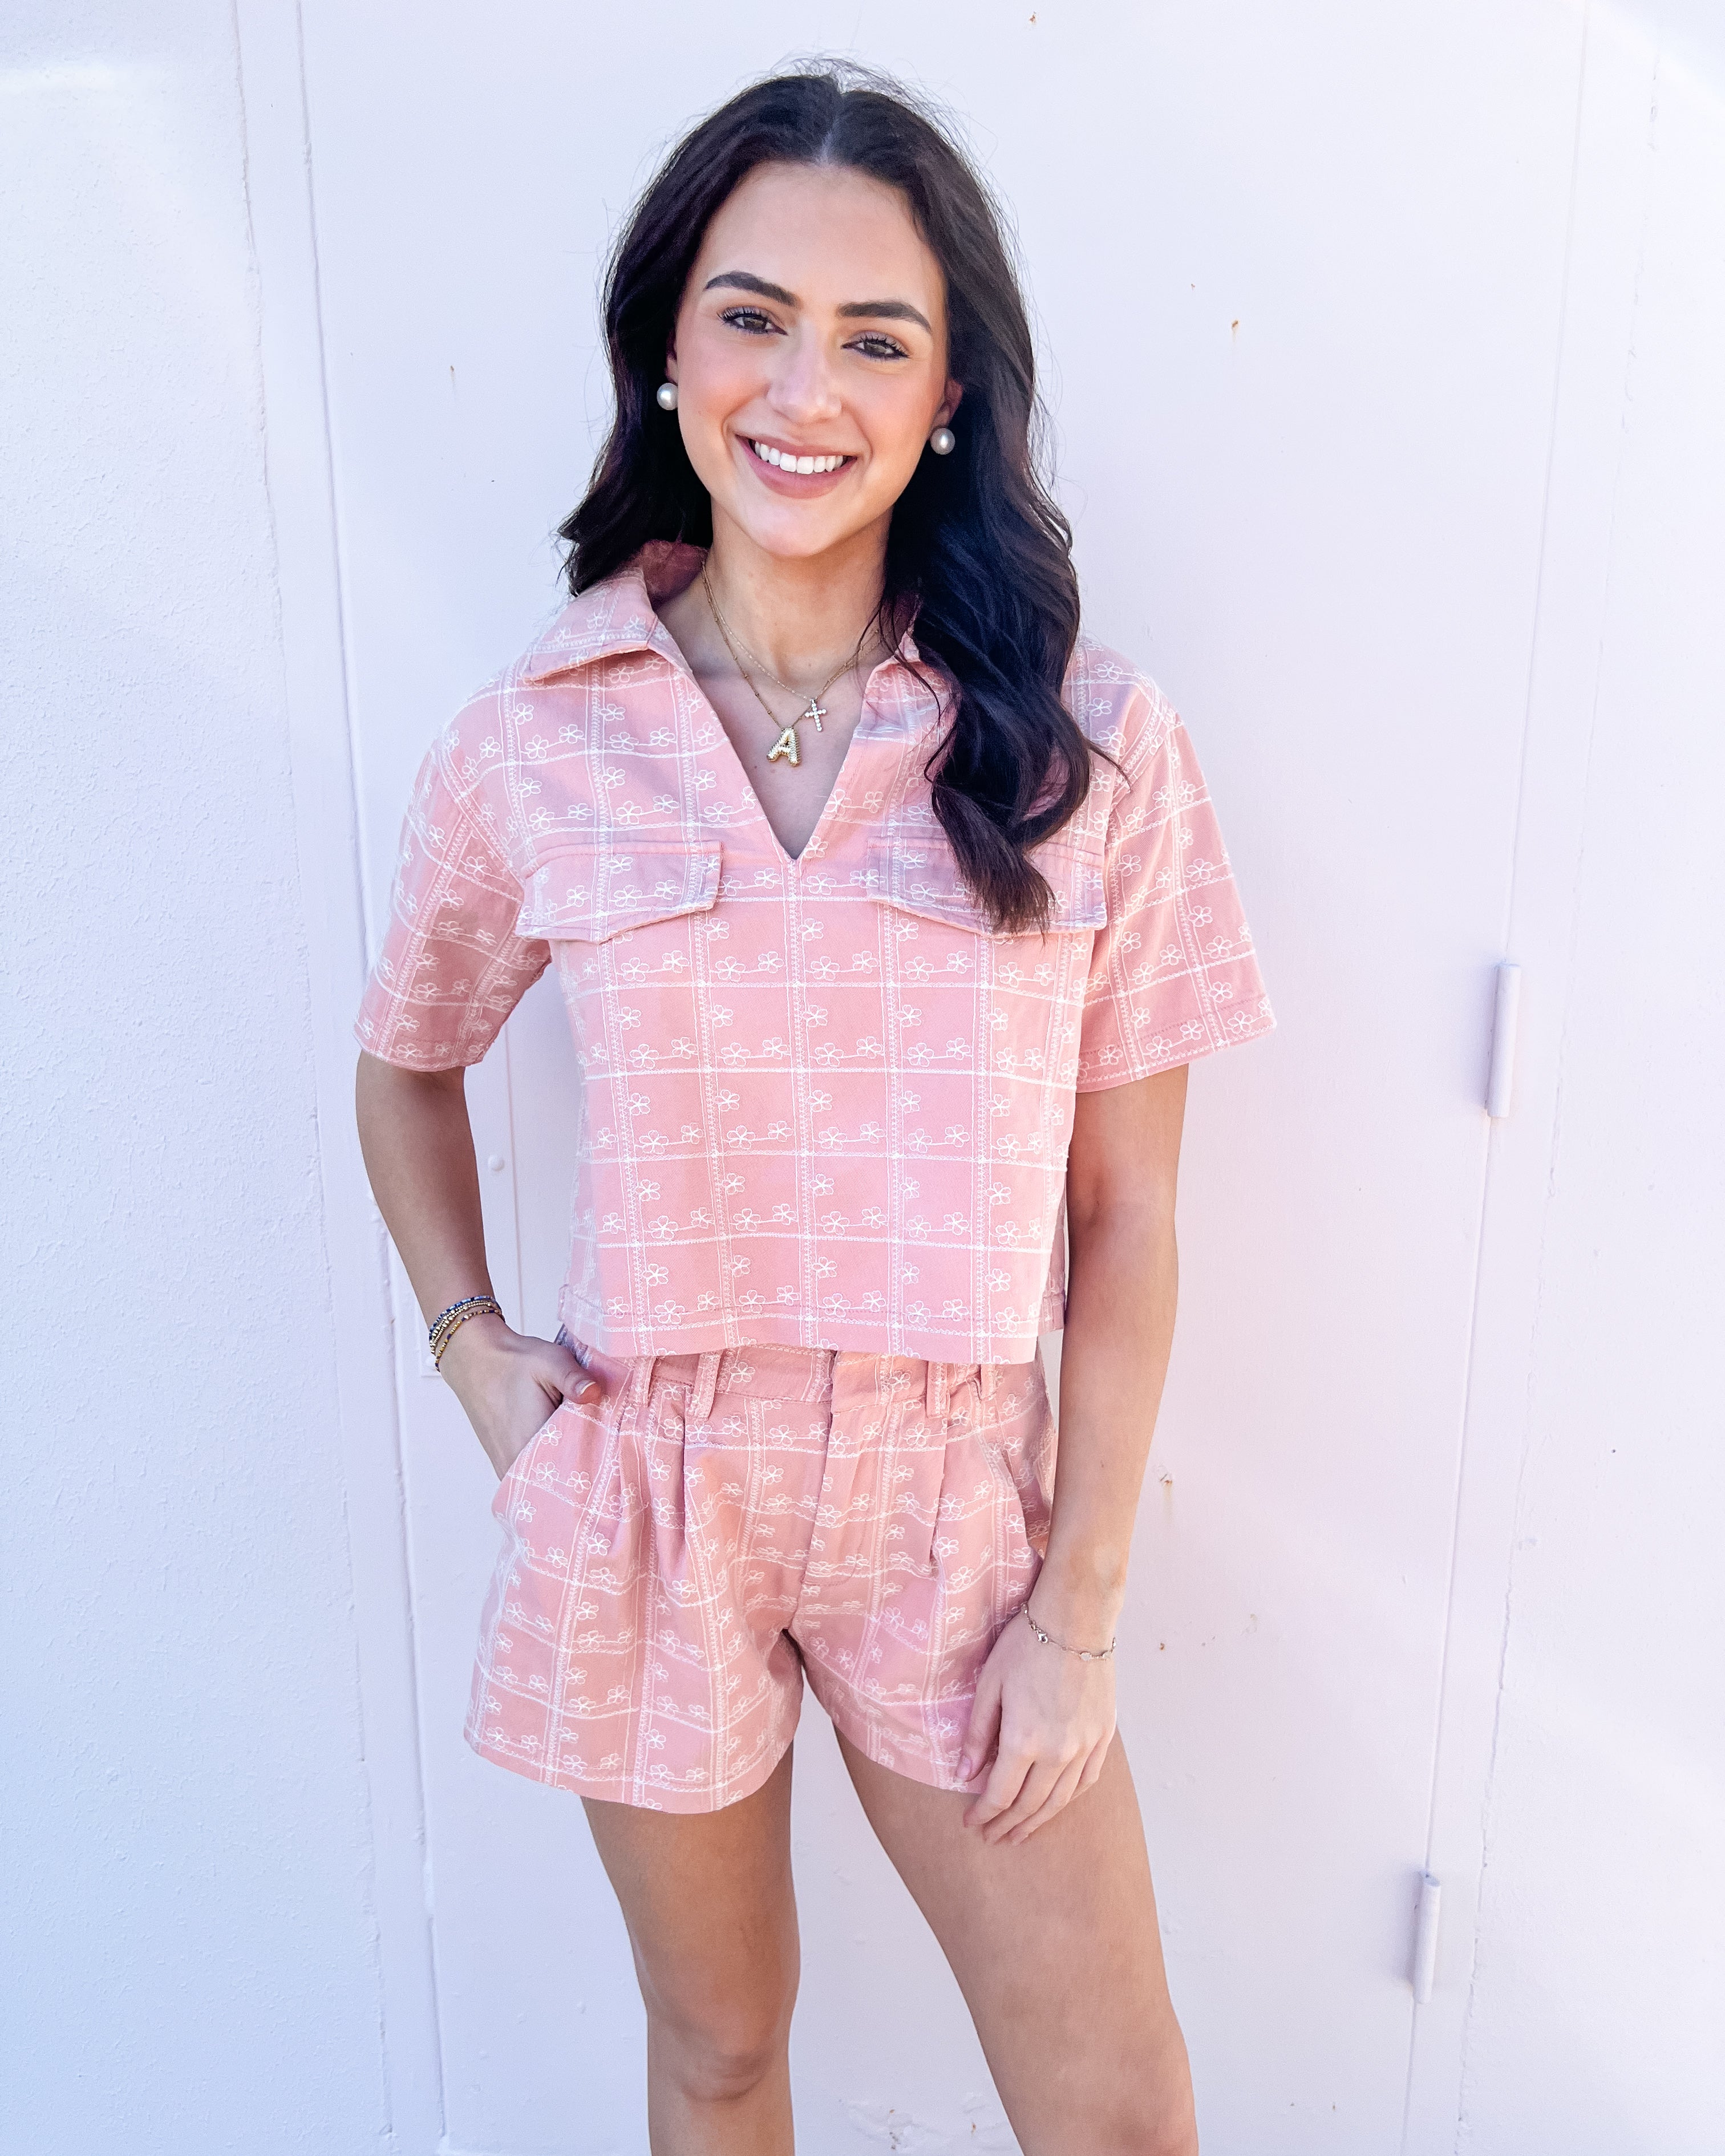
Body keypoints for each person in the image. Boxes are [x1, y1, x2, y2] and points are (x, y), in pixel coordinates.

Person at [354, 64, 1273, 2156]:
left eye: (876, 338)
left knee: (1117, 2107)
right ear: (667, 349)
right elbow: (402, 1062)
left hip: (956, 1514)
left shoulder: (1087, 743)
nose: (804, 389)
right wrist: (474, 1346)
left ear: (947, 395)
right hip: (651, 1491)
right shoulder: (535, 740)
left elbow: (1130, 1217)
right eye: (753, 316)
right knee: (720, 2051)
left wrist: (1078, 1611)